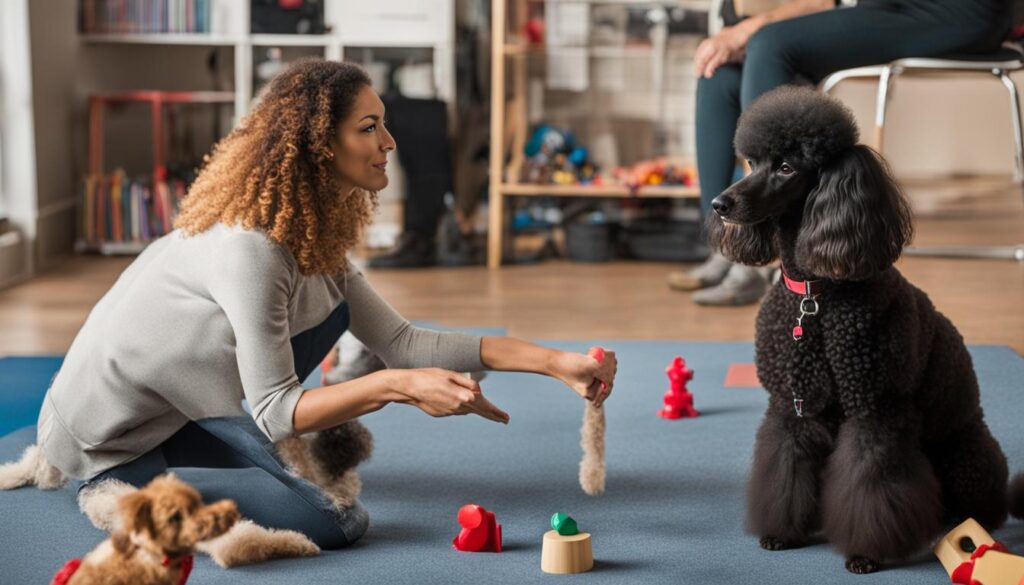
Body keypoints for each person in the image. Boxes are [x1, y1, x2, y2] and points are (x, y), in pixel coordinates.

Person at [31, 60, 617, 560]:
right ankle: (116, 488)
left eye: (384, 125)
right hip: (112, 441)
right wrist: (393, 386)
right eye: (370, 128)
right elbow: (275, 413)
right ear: (318, 143)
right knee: (335, 525)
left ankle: (236, 460)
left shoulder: (309, 232)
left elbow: (406, 343)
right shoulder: (253, 248)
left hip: (180, 411)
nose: (389, 143)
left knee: (332, 312)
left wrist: (553, 362)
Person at [668, 0, 1011, 305]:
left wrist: (749, 27)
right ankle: (729, 242)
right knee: (719, 72)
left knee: (769, 42)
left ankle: (767, 245)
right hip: (882, 7)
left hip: (953, 10)